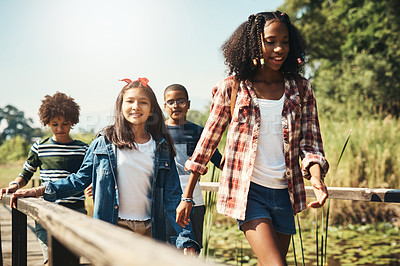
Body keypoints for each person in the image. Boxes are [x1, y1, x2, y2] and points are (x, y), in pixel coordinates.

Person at [176, 11, 329, 265]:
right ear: (254, 42)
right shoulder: (233, 88)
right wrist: (187, 197)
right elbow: (207, 142)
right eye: (270, 41)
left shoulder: (301, 89)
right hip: (249, 193)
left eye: (285, 41)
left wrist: (315, 177)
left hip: (285, 193)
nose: (279, 48)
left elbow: (310, 143)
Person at [10, 78, 200, 254]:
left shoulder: (160, 146)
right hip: (114, 227)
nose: (136, 107)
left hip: (152, 230)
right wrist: (39, 190)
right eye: (130, 101)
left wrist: (186, 239)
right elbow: (79, 180)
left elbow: (173, 197)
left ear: (151, 109)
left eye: (143, 102)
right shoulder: (104, 143)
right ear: (121, 106)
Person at [0, 92, 88, 265]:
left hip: (75, 212)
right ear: (47, 122)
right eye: (55, 124)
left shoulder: (82, 149)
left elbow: (86, 176)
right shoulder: (40, 147)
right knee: (51, 260)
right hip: (46, 211)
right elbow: (26, 173)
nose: (60, 128)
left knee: (71, 260)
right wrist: (14, 185)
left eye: (65, 124)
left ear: (73, 122)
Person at [164, 84, 222, 248]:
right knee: (167, 248)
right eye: (171, 102)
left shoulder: (199, 133)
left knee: (192, 247)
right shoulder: (157, 133)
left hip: (194, 201)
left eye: (181, 101)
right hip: (167, 199)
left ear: (188, 104)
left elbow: (219, 161)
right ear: (164, 106)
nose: (176, 106)